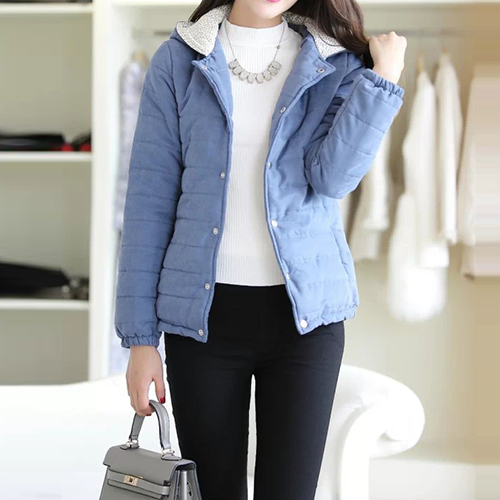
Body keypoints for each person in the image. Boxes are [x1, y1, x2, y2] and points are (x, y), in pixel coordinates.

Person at [114, 0, 406, 498]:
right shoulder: (177, 61)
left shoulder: (336, 62)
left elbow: (332, 179)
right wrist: (141, 341)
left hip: (303, 325)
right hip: (201, 325)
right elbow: (148, 203)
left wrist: (383, 81)